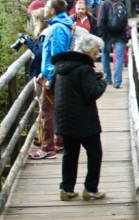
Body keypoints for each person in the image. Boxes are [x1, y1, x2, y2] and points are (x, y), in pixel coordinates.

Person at [53, 33, 108, 201]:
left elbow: (55, 87)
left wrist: (94, 77)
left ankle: (66, 188)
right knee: (95, 153)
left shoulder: (62, 67)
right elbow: (92, 93)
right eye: (96, 52)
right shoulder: (84, 69)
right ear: (88, 50)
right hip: (84, 119)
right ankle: (90, 189)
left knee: (70, 153)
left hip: (65, 117)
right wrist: (102, 82)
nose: (97, 55)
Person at [29, 0, 73, 160]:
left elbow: (57, 56)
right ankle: (59, 143)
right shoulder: (60, 26)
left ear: (53, 11)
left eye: (47, 7)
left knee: (47, 112)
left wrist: (49, 77)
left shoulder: (57, 29)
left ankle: (48, 147)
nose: (44, 9)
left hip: (55, 77)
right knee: (57, 109)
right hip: (54, 75)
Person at [97, 0, 128, 89]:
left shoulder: (104, 4)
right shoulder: (122, 5)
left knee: (105, 55)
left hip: (107, 35)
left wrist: (100, 34)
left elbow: (101, 20)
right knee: (119, 58)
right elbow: (125, 22)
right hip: (120, 35)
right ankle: (117, 81)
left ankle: (108, 79)